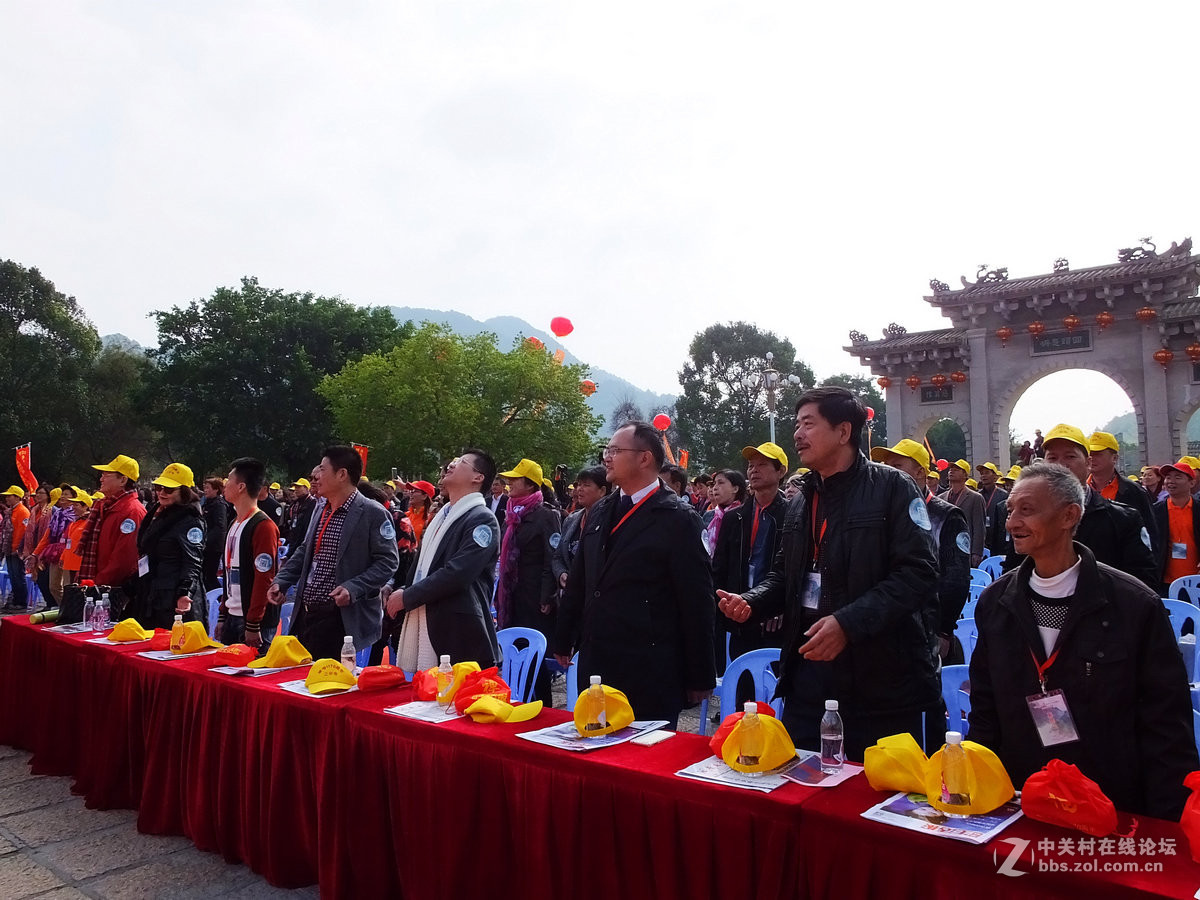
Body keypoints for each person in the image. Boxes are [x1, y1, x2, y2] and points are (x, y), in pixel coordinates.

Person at [717, 387, 940, 757]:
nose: (797, 434)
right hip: (809, 674)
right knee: (804, 785)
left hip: (881, 682)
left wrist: (848, 623)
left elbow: (918, 573)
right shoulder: (802, 499)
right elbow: (785, 576)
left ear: (843, 432)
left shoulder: (892, 488)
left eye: (809, 424)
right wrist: (751, 601)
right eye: (796, 424)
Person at [968, 461, 1197, 820]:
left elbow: (1166, 722)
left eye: (1027, 511)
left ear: (1069, 516)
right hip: (1021, 797)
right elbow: (985, 707)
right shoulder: (996, 601)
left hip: (1109, 800)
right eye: (1010, 510)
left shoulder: (1133, 604)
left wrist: (1166, 822)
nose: (1012, 522)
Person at [554, 421, 716, 727]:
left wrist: (700, 673)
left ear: (645, 458)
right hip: (598, 658)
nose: (607, 457)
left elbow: (697, 601)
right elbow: (580, 578)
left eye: (615, 450)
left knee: (642, 760)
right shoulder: (601, 510)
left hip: (649, 666)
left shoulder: (678, 519)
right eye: (607, 450)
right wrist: (564, 637)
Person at [270, 446, 398, 660]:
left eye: (322, 469)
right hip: (307, 613)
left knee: (329, 685)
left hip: (340, 617)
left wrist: (353, 587)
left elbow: (388, 563)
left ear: (342, 474)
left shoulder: (373, 513)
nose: (316, 476)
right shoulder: (321, 509)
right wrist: (282, 580)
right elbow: (305, 551)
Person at [386, 450, 503, 671]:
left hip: (458, 633)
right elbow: (425, 569)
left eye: (461, 463)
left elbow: (457, 573)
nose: (451, 465)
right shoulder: (443, 516)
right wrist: (402, 589)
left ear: (478, 477)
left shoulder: (482, 519)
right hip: (431, 620)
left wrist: (408, 596)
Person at [1021, 424, 1159, 591]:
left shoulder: (1124, 519)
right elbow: (1016, 573)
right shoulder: (1026, 518)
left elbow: (1143, 581)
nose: (1061, 465)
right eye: (1052, 458)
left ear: (1088, 463)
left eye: (1070, 456)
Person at [872, 439, 971, 662]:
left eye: (896, 466)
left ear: (919, 472)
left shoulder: (946, 515)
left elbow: (956, 579)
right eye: (885, 466)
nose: (887, 472)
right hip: (886, 628)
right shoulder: (881, 513)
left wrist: (943, 630)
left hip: (928, 630)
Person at [714, 443, 790, 700]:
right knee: (742, 691)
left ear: (781, 472)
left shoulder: (793, 514)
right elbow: (720, 568)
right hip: (739, 615)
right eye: (750, 465)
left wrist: (781, 605)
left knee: (774, 694)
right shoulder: (734, 517)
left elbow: (795, 570)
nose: (754, 471)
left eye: (762, 465)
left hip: (776, 621)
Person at [493, 458, 561, 704]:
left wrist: (546, 595)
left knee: (535, 658)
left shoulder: (546, 516)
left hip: (534, 597)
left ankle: (541, 706)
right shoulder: (510, 513)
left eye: (515, 479)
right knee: (514, 650)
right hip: (511, 593)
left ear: (531, 485)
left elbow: (551, 556)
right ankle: (517, 699)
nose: (509, 483)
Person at [215, 458, 281, 649]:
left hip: (254, 622)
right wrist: (223, 614)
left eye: (229, 480)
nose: (225, 485)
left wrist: (253, 623)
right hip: (232, 616)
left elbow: (264, 578)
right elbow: (229, 573)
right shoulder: (234, 523)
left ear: (241, 486)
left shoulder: (263, 526)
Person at [135, 464, 207, 630]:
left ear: (184, 491)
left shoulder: (191, 520)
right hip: (154, 592)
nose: (161, 492)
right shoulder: (159, 513)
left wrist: (185, 593)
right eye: (158, 487)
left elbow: (193, 561)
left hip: (175, 599)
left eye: (168, 489)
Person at [77, 454, 147, 596]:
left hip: (113, 590)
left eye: (106, 475)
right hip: (101, 586)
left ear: (123, 480)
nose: (101, 479)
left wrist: (97, 583)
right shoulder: (106, 506)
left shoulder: (132, 511)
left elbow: (124, 560)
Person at [1086, 431, 1157, 552]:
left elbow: (1150, 533)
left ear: (1115, 458)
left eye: (1098, 454)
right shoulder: (1079, 489)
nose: (1092, 458)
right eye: (1089, 454)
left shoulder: (1134, 491)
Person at [552, 466, 609, 591]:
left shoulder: (611, 521)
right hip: (570, 596)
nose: (579, 489)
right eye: (579, 485)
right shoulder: (571, 519)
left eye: (586, 485)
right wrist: (561, 573)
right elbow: (558, 556)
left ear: (602, 490)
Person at [1153, 460, 1200, 596]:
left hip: (1195, 580)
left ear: (1191, 483)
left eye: (1178, 477)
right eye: (1168, 477)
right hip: (1165, 582)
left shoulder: (1198, 509)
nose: (1171, 481)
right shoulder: (1156, 511)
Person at [945, 460, 986, 567]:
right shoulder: (941, 497)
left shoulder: (975, 498)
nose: (951, 471)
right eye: (950, 469)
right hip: (945, 550)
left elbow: (979, 526)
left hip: (965, 549)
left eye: (956, 469)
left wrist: (977, 552)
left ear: (965, 475)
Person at [701, 468, 747, 557]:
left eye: (721, 483)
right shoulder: (709, 515)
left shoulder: (743, 517)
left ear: (735, 488)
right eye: (714, 484)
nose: (715, 488)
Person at [1, 487, 30, 609]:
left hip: (16, 551)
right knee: (13, 576)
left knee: (18, 575)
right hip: (8, 549)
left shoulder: (23, 511)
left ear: (18, 497)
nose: (7, 498)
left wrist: (16, 549)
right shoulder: (11, 511)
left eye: (10, 496)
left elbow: (22, 532)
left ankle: (21, 602)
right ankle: (14, 600)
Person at [200, 476, 228, 592]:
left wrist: (206, 540)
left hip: (213, 547)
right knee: (204, 575)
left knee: (210, 575)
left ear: (216, 490)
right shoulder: (207, 503)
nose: (205, 490)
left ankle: (219, 596)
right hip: (206, 545)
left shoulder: (219, 505)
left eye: (208, 488)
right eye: (204, 488)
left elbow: (219, 526)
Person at [975, 462, 1009, 558]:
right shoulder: (977, 495)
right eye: (982, 473)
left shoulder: (1003, 495)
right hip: (981, 538)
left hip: (997, 539)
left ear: (995, 476)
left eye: (987, 472)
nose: (983, 476)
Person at [59, 488, 92, 584]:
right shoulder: (74, 523)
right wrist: (63, 557)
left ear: (85, 506)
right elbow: (68, 541)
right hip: (69, 563)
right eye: (73, 505)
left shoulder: (89, 523)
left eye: (76, 505)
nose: (73, 507)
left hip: (80, 566)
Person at [284, 477, 317, 549]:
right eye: (295, 487)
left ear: (306, 488)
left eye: (299, 487)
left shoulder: (312, 503)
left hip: (303, 542)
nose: (296, 489)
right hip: (293, 540)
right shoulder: (296, 503)